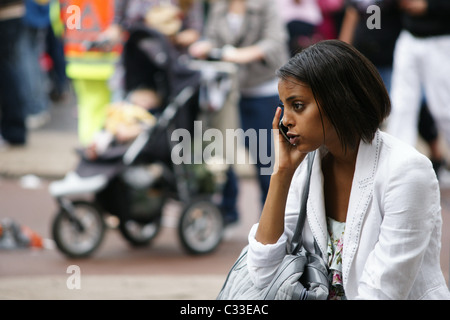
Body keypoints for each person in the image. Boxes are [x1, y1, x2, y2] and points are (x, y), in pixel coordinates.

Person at [247, 40, 450, 299]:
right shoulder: (307, 166)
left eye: (297, 106)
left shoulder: (407, 172)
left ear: (338, 101)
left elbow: (382, 292)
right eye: (284, 107)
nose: (285, 120)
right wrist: (281, 174)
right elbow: (262, 272)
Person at [188, 0, 289, 224]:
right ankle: (227, 212)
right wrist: (205, 46)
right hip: (227, 92)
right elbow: (213, 39)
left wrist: (237, 54)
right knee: (222, 151)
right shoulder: (219, 7)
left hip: (261, 91)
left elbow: (274, 43)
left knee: (264, 158)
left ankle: (270, 217)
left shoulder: (265, 6)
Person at [386, 0, 450, 155]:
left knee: (444, 107)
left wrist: (429, 6)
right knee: (401, 105)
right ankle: (398, 166)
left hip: (441, 38)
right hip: (409, 35)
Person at [0, 0, 28, 147]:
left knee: (6, 71)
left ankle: (14, 130)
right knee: (9, 68)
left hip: (6, 13)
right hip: (11, 11)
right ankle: (14, 129)